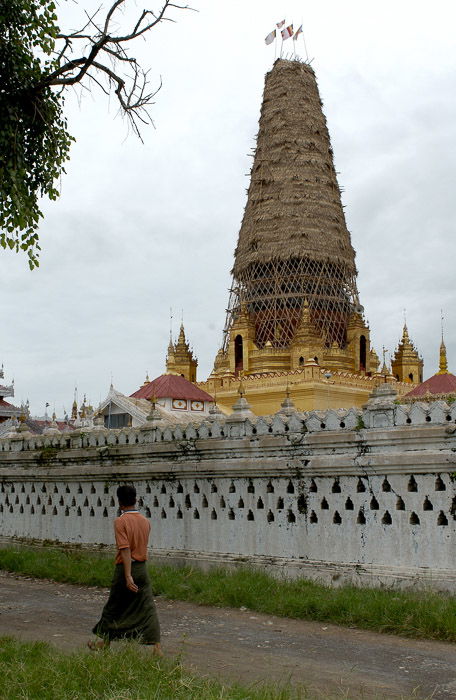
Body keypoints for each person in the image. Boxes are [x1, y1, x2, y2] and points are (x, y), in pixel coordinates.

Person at [88, 484, 162, 655]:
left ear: (119, 502)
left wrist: (128, 575)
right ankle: (157, 647)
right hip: (142, 569)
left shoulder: (120, 521)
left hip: (125, 569)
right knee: (147, 606)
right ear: (136, 500)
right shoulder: (145, 521)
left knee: (114, 606)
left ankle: (104, 642)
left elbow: (125, 549)